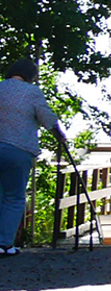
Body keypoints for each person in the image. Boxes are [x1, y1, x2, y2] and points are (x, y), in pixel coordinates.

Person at [0, 59, 66, 255]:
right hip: (18, 149)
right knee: (14, 198)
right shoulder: (31, 92)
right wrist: (59, 136)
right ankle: (4, 244)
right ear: (30, 76)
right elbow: (46, 117)